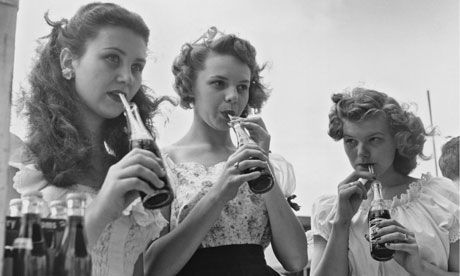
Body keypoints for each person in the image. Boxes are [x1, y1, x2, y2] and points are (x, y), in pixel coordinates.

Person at [10, 3, 170, 276]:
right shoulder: (20, 167)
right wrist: (103, 207)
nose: (127, 77)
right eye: (112, 58)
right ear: (67, 62)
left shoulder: (128, 170)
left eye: (137, 66)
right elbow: (23, 270)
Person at [144, 28, 308, 275]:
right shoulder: (163, 164)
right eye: (219, 83)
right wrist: (219, 193)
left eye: (242, 87)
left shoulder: (263, 162)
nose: (233, 97)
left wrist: (267, 170)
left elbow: (296, 261)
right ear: (190, 88)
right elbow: (153, 269)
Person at [310, 88, 459, 276]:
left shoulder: (441, 197)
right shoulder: (329, 210)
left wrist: (420, 268)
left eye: (374, 139)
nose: (361, 152)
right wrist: (341, 222)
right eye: (351, 141)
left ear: (399, 140)